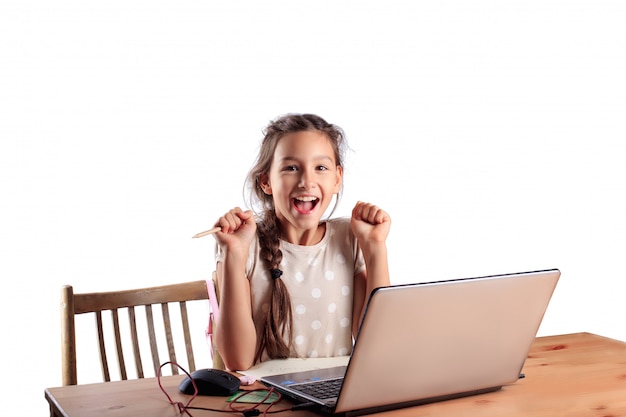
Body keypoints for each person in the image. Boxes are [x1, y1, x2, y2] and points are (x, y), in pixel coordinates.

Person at [212, 113, 391, 371]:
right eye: (291, 168)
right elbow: (238, 361)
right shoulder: (243, 244)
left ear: (337, 179)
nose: (307, 181)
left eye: (321, 168)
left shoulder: (350, 238)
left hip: (335, 396)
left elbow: (378, 348)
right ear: (266, 181)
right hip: (268, 401)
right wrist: (233, 255)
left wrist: (375, 250)